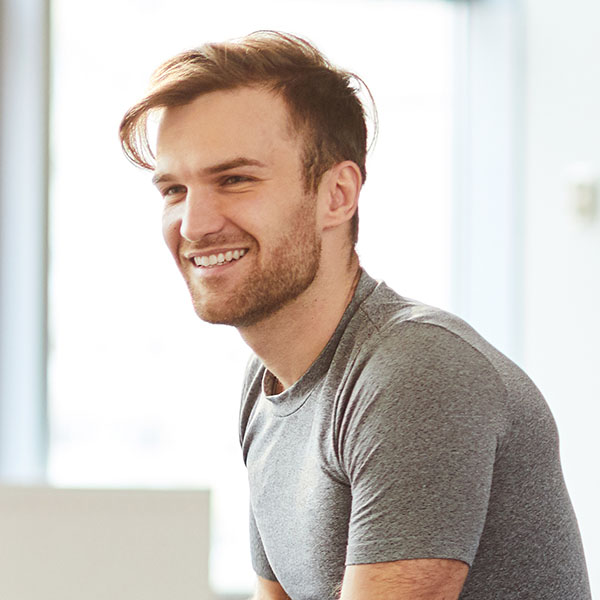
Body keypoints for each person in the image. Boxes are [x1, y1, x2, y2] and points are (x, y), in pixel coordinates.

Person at [119, 31, 591, 600]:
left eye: (235, 179)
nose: (193, 225)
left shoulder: (416, 372)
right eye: (173, 189)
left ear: (337, 194)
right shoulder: (269, 383)